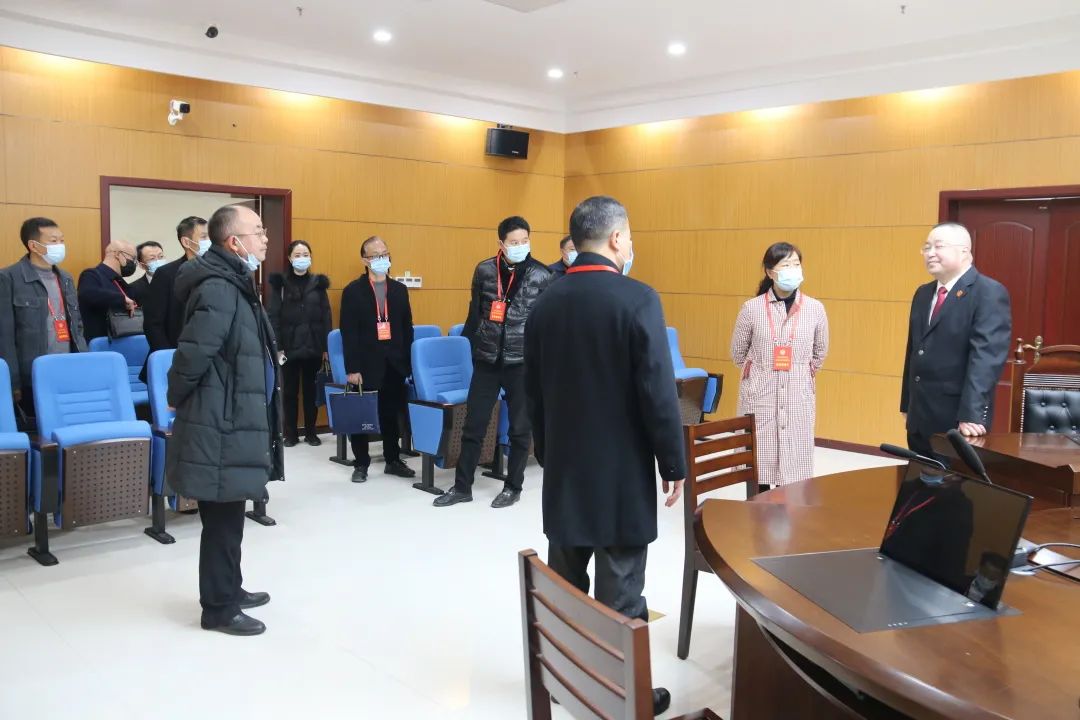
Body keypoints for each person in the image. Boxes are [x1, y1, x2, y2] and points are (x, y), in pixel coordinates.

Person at [524, 195, 683, 716]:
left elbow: (533, 393)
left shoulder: (545, 303)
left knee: (566, 588)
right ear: (616, 238)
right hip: (621, 478)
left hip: (566, 474)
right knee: (622, 595)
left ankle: (569, 683)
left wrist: (549, 454)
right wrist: (672, 463)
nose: (630, 244)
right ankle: (624, 698)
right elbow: (658, 393)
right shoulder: (638, 299)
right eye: (629, 235)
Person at [167, 204, 283, 636]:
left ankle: (230, 589)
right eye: (258, 231)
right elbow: (193, 354)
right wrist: (176, 398)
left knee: (230, 514)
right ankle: (218, 608)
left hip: (232, 413)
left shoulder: (234, 280)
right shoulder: (219, 287)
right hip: (219, 419)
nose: (265, 238)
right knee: (221, 519)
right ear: (234, 242)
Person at [434, 216, 552, 509]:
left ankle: (513, 487)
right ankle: (462, 487)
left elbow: (546, 325)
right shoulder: (485, 270)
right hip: (487, 360)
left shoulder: (542, 275)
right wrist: (474, 349)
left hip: (521, 362)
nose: (520, 246)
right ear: (501, 243)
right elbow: (474, 315)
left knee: (520, 429)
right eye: (514, 242)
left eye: (525, 240)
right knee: (473, 425)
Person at [901, 222, 1011, 459]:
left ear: (964, 251)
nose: (930, 253)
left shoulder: (988, 292)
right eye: (926, 247)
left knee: (954, 480)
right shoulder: (923, 293)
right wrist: (907, 403)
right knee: (919, 477)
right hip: (920, 415)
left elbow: (986, 359)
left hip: (958, 420)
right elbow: (914, 351)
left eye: (938, 246)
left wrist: (972, 414)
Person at [730, 243, 829, 489]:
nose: (793, 270)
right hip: (760, 398)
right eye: (786, 265)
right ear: (769, 271)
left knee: (794, 474)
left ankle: (789, 512)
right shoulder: (751, 309)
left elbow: (819, 353)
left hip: (797, 397)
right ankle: (758, 510)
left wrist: (797, 371)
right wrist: (763, 372)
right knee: (759, 467)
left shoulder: (815, 309)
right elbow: (738, 354)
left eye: (796, 264)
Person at [339, 236, 416, 482]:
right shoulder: (353, 292)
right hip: (365, 364)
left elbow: (407, 328)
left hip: (394, 363)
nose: (382, 259)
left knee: (390, 414)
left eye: (385, 253)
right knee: (362, 415)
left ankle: (393, 459)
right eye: (375, 255)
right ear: (365, 260)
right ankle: (361, 463)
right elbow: (348, 333)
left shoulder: (399, 290)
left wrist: (408, 362)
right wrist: (352, 368)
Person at [0, 217, 87, 428]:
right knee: (38, 429)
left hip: (68, 368)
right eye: (53, 240)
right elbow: (4, 334)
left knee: (69, 426)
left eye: (62, 240)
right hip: (31, 373)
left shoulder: (65, 277)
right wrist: (13, 382)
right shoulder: (9, 277)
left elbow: (77, 326)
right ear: (34, 245)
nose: (60, 245)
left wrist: (84, 363)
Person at [268, 240, 332, 448]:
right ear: (289, 258)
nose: (302, 258)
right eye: (297, 255)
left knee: (311, 391)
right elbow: (274, 317)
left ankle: (311, 432)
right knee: (289, 392)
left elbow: (326, 316)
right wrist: (278, 346)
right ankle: (291, 434)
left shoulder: (318, 284)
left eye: (305, 254)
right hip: (289, 347)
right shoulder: (280, 285)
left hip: (314, 346)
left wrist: (326, 347)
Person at [140, 216, 208, 382]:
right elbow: (153, 323)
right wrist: (168, 358)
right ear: (186, 242)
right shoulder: (166, 274)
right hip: (173, 358)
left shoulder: (218, 270)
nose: (210, 241)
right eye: (204, 237)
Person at [76, 239, 139, 341]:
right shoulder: (91, 275)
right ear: (118, 254)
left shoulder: (121, 282)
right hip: (100, 341)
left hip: (123, 340)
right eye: (132, 258)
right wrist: (121, 299)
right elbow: (88, 294)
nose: (134, 263)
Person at [126, 241, 165, 307]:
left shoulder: (177, 281)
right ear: (142, 265)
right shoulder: (132, 289)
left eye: (161, 256)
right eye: (152, 258)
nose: (158, 261)